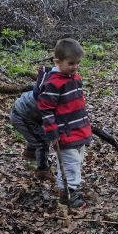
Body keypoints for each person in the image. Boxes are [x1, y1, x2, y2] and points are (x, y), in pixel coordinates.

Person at [37, 38, 93, 210]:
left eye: (77, 63)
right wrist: (52, 132)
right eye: (71, 63)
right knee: (71, 163)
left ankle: (71, 189)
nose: (75, 67)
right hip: (64, 133)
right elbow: (45, 109)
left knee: (78, 161)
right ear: (57, 62)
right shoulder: (53, 83)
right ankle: (67, 195)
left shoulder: (75, 79)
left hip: (79, 130)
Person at [9, 65, 55, 179]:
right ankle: (42, 171)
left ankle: (30, 152)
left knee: (39, 133)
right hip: (21, 117)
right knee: (43, 142)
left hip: (28, 115)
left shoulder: (50, 89)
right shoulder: (48, 94)